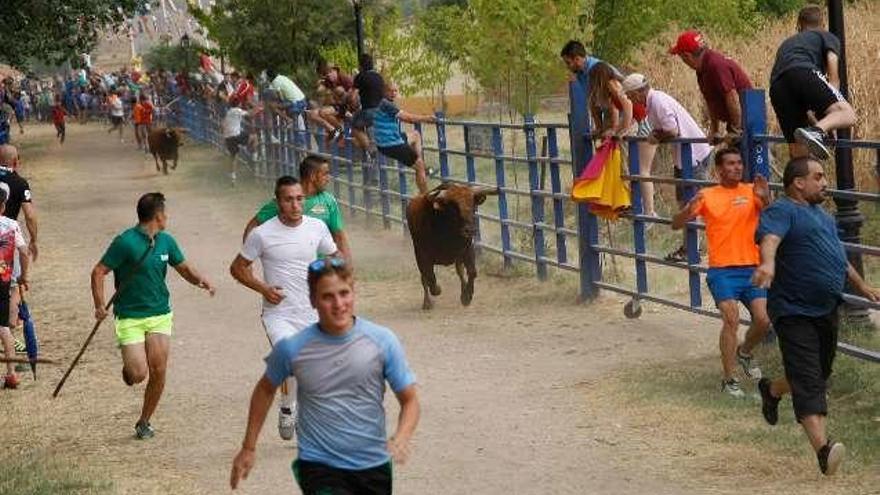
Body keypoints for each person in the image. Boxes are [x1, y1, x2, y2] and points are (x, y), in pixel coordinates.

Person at [229, 258, 419, 493]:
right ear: (313, 300)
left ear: (354, 293)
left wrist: (401, 437)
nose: (338, 304)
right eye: (328, 296)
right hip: (319, 465)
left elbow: (409, 399)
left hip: (373, 464)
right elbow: (265, 389)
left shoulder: (382, 341)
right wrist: (248, 447)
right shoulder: (293, 348)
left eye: (344, 293)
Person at [751, 157, 880, 475]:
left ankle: (772, 390)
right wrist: (767, 264)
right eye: (818, 177)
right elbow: (770, 239)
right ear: (798, 182)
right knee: (810, 383)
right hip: (793, 311)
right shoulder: (782, 210)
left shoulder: (822, 214)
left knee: (815, 375)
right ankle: (824, 450)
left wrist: (862, 284)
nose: (825, 182)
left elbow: (837, 253)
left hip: (825, 308)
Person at [91, 192, 215, 439]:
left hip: (159, 314)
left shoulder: (166, 241)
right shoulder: (125, 242)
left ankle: (144, 421)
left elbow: (184, 267)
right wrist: (99, 304)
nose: (167, 217)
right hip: (129, 316)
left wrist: (200, 280)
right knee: (139, 374)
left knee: (158, 370)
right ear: (157, 216)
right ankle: (130, 369)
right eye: (164, 213)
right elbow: (98, 271)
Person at [230, 176, 339, 442]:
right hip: (278, 313)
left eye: (299, 199)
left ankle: (297, 409)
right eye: (288, 199)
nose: (294, 205)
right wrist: (263, 288)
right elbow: (237, 268)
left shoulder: (317, 228)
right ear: (278, 202)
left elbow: (333, 257)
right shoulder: (262, 233)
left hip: (312, 312)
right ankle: (289, 408)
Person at [671, 148, 771, 397]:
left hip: (752, 268)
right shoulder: (707, 195)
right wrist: (687, 211)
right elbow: (676, 224)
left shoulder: (752, 191)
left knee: (764, 320)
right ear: (719, 169)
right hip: (722, 270)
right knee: (731, 319)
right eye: (730, 164)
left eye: (739, 163)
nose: (737, 167)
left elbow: (773, 220)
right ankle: (729, 378)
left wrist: (766, 199)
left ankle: (745, 352)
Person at [622, 73, 712, 262]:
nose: (630, 99)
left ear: (639, 92)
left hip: (693, 155)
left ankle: (694, 249)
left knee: (692, 203)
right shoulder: (653, 102)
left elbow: (672, 130)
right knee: (685, 203)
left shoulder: (658, 102)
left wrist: (657, 137)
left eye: (630, 95)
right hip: (685, 156)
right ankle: (690, 247)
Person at [769, 4, 855, 160]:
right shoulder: (826, 36)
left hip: (777, 85)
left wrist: (823, 122)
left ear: (799, 25)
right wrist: (832, 110)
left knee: (798, 150)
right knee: (847, 114)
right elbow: (833, 71)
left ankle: (797, 178)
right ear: (822, 24)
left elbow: (802, 100)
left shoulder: (787, 43)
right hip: (803, 71)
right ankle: (815, 132)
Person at [243, 155, 352, 264]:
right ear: (313, 176)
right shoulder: (286, 199)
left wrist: (348, 266)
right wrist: (248, 258)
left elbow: (339, 235)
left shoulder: (328, 200)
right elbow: (254, 224)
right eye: (325, 174)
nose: (329, 178)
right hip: (292, 267)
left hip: (322, 269)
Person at [670, 30, 752, 143]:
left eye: (681, 57)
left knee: (751, 157)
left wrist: (736, 130)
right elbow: (711, 101)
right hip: (738, 122)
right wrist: (715, 130)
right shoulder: (702, 69)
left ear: (687, 56)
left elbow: (732, 96)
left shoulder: (715, 65)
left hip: (749, 122)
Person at [373, 82, 436, 194]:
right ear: (384, 92)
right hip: (391, 144)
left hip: (386, 141)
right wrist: (426, 118)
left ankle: (421, 163)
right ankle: (426, 198)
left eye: (395, 91)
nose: (393, 93)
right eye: (390, 91)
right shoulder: (386, 104)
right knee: (419, 166)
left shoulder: (380, 102)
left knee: (416, 135)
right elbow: (408, 118)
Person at [0, 183, 29, 389]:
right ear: (3, 206)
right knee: (4, 328)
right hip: (3, 281)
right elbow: (24, 251)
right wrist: (24, 276)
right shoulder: (11, 225)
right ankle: (11, 375)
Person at [351, 53, 386, 155]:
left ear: (360, 66)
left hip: (368, 111)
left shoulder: (360, 76)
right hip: (381, 112)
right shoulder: (379, 77)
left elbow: (353, 97)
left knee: (354, 127)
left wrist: (353, 106)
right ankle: (368, 145)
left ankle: (370, 148)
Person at [587, 62, 632, 140]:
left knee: (620, 144)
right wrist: (599, 128)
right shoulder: (597, 91)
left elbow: (614, 108)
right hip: (611, 118)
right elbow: (593, 107)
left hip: (625, 118)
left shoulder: (612, 85)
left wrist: (614, 129)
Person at [222, 99, 256, 182]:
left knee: (233, 156)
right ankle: (254, 156)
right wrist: (258, 108)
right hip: (236, 135)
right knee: (254, 137)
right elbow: (250, 114)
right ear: (239, 104)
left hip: (227, 137)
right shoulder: (237, 110)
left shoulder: (228, 112)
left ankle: (233, 176)